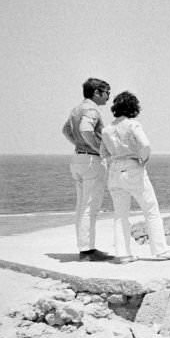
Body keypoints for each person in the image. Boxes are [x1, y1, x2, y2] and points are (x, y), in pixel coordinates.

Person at [99, 91, 170, 262]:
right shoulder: (133, 125)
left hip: (114, 170)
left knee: (120, 214)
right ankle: (160, 250)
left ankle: (122, 253)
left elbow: (103, 153)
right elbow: (145, 145)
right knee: (150, 209)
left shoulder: (106, 130)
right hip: (132, 168)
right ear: (133, 107)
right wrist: (142, 159)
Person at [61, 77, 114, 261]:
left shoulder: (76, 109)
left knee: (81, 206)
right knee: (90, 207)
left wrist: (79, 145)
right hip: (91, 161)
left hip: (77, 159)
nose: (109, 96)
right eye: (107, 92)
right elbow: (85, 129)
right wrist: (97, 149)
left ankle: (85, 247)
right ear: (96, 92)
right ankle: (87, 251)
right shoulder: (92, 109)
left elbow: (66, 130)